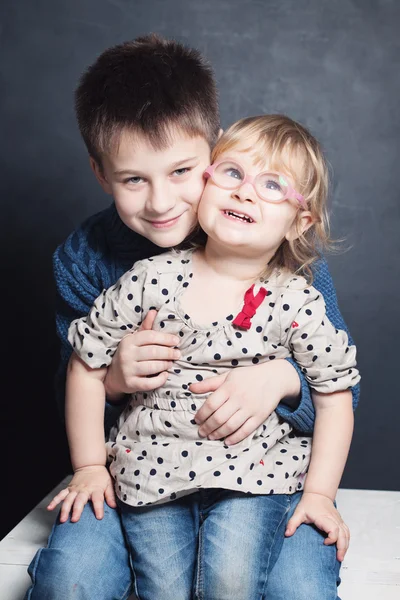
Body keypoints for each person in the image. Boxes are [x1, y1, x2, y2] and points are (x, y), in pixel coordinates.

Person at [25, 35, 359, 600]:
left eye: (183, 170)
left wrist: (282, 380)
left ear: (215, 146)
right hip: (136, 470)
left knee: (296, 584)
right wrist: (112, 379)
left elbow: (339, 392)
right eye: (134, 179)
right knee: (70, 579)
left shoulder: (270, 245)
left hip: (259, 473)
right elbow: (74, 374)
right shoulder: (87, 259)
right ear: (102, 174)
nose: (160, 202)